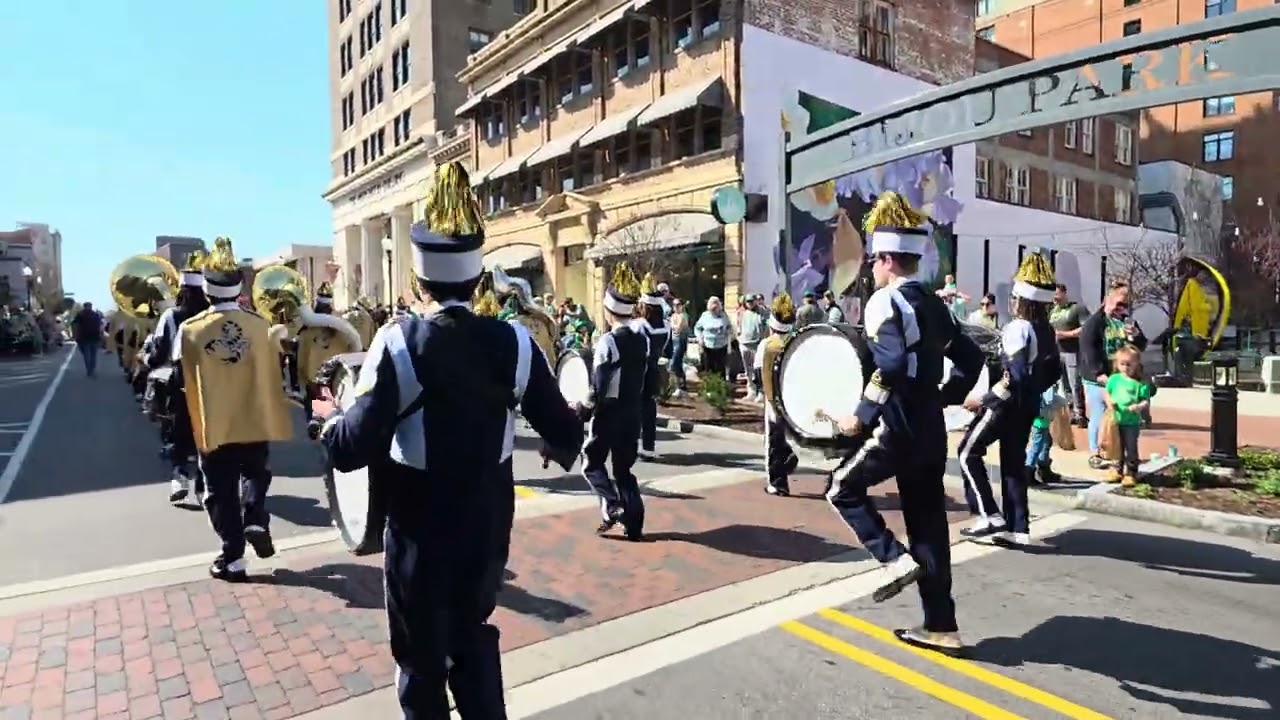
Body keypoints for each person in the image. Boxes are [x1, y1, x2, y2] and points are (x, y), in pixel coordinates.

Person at [315, 162, 584, 719]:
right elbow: (563, 430)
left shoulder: (397, 343)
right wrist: (565, 436)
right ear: (477, 277)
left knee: (419, 662)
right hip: (487, 529)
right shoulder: (516, 341)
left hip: (419, 535)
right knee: (472, 638)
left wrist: (330, 416)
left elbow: (350, 448)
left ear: (419, 281)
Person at [825, 192, 986, 656]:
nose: (873, 267)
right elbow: (971, 359)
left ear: (889, 260)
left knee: (842, 488)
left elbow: (891, 366)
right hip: (930, 430)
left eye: (876, 259)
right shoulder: (935, 305)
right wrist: (940, 398)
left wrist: (860, 416)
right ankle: (942, 625)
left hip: (897, 425)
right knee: (928, 524)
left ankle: (893, 560)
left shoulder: (884, 302)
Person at [177, 237, 294, 581]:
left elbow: (178, 376)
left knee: (219, 491)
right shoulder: (260, 325)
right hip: (254, 417)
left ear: (208, 292)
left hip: (215, 423)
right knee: (256, 472)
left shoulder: (190, 329)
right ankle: (256, 515)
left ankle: (233, 557)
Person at [957, 253, 1062, 545]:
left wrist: (986, 399)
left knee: (967, 452)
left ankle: (988, 515)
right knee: (1013, 465)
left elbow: (1014, 375)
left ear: (1021, 300)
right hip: (1028, 406)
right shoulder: (1047, 330)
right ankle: (1018, 529)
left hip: (1006, 405)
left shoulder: (1018, 327)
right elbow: (1053, 372)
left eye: (1015, 297)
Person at [147, 251, 212, 503]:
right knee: (205, 434)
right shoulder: (212, 315)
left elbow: (159, 353)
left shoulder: (171, 316)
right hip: (210, 383)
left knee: (177, 430)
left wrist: (148, 355)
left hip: (181, 383)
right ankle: (203, 483)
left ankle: (179, 476)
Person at [1079, 281, 1147, 469]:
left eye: (1125, 305)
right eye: (1118, 304)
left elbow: (1140, 346)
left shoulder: (1127, 322)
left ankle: (1116, 451)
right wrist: (1098, 373)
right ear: (1106, 301)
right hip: (1099, 378)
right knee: (1100, 414)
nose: (1122, 308)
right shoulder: (1095, 323)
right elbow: (1088, 348)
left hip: (1121, 378)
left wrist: (1135, 335)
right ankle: (1096, 452)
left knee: (1119, 416)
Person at [296, 282, 363, 424]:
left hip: (315, 379)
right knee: (336, 418)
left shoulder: (307, 330)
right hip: (337, 378)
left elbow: (301, 362)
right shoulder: (343, 325)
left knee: (316, 418)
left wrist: (302, 382)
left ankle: (316, 423)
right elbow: (353, 350)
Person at [756, 293, 799, 496]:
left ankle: (777, 482)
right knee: (785, 436)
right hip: (794, 398)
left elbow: (758, 373)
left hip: (773, 399)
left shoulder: (766, 345)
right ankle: (790, 458)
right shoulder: (797, 341)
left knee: (772, 441)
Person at [634, 274, 671, 460]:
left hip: (638, 370)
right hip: (654, 368)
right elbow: (667, 349)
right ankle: (648, 447)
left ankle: (632, 445)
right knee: (649, 409)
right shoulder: (666, 325)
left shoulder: (639, 325)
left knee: (632, 408)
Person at [1105, 345, 1152, 487]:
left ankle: (1131, 472)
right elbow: (1107, 393)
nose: (1125, 367)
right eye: (1122, 364)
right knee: (1116, 445)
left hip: (1131, 422)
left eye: (1129, 364)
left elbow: (1146, 401)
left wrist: (1138, 407)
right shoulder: (1114, 379)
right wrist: (1109, 402)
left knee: (1131, 446)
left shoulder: (1140, 383)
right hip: (1116, 419)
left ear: (1136, 364)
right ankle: (1116, 469)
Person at [1049, 283, 1089, 426]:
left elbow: (1085, 328)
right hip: (1057, 352)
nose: (1054, 297)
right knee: (1064, 384)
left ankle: (1080, 413)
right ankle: (1071, 411)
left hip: (1072, 351)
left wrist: (1064, 335)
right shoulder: (1052, 311)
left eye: (1056, 294)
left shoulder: (1076, 308)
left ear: (1064, 293)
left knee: (1075, 383)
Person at [1024, 385, 1063, 486]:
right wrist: (1063, 402)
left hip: (1040, 418)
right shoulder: (1048, 384)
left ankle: (1044, 469)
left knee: (1046, 442)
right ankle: (1029, 471)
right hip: (1041, 420)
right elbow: (1050, 399)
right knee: (1037, 446)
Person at [736, 294, 765, 402]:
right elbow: (739, 326)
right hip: (745, 344)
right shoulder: (743, 313)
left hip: (757, 344)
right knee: (748, 370)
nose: (750, 303)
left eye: (751, 301)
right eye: (748, 302)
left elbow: (766, 326)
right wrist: (739, 337)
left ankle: (761, 392)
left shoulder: (762, 312)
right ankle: (751, 391)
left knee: (758, 370)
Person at [694, 297, 732, 379]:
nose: (714, 309)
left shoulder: (723, 315)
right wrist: (700, 338)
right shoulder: (705, 315)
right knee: (709, 368)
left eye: (716, 306)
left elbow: (729, 326)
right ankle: (709, 387)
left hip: (721, 345)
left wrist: (728, 332)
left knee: (720, 368)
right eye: (712, 308)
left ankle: (721, 387)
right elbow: (697, 328)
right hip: (708, 345)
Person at [72, 301, 104, 376]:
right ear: (91, 307)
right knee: (93, 354)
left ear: (84, 306)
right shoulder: (96, 314)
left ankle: (89, 370)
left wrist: (75, 335)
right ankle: (92, 369)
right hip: (95, 337)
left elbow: (74, 324)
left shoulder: (80, 314)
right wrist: (101, 335)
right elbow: (101, 325)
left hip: (84, 337)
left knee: (86, 354)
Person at [668, 299, 691, 396]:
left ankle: (678, 385)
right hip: (673, 341)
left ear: (682, 306)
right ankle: (681, 386)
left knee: (673, 364)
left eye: (678, 304)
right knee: (678, 364)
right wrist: (673, 324)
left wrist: (672, 324)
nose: (676, 307)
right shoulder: (673, 316)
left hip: (681, 342)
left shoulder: (684, 315)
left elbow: (678, 327)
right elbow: (673, 326)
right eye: (674, 305)